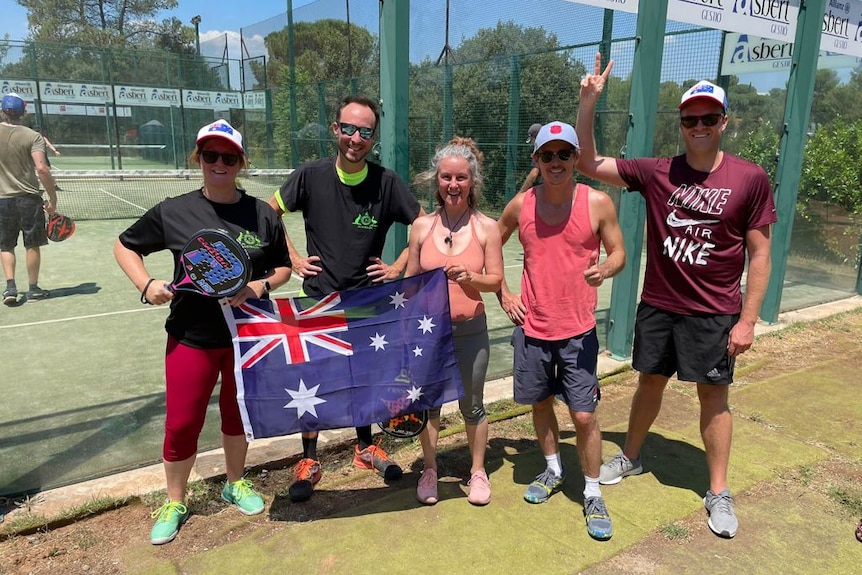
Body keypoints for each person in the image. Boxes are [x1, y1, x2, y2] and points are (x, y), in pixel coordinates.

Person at [576, 54, 777, 539]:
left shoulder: (749, 178)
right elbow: (586, 162)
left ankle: (719, 491)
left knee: (714, 397)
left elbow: (761, 254)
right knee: (650, 382)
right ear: (682, 123)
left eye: (710, 118)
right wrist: (587, 105)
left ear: (724, 121)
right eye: (692, 119)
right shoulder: (657, 171)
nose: (700, 125)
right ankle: (631, 457)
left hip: (714, 313)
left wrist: (748, 320)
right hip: (660, 306)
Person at [114, 119, 292, 545]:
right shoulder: (174, 211)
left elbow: (283, 266)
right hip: (190, 336)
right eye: (210, 155)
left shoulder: (263, 214)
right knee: (181, 423)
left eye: (228, 157)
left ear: (241, 163)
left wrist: (258, 285)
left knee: (237, 416)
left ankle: (235, 482)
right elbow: (125, 245)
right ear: (199, 159)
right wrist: (146, 284)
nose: (219, 163)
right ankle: (175, 500)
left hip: (244, 337)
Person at [268, 95, 423, 503]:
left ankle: (365, 448)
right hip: (316, 302)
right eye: (349, 129)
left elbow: (423, 224)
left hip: (366, 303)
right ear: (335, 130)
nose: (356, 138)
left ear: (374, 137)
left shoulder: (386, 182)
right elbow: (269, 213)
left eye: (365, 131)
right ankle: (308, 460)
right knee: (311, 384)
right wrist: (291, 257)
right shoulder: (310, 175)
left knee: (363, 379)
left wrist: (398, 266)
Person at [497, 121, 626, 540]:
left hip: (578, 332)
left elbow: (619, 251)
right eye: (547, 155)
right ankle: (552, 468)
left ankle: (591, 492)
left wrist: (607, 267)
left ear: (576, 159)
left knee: (584, 415)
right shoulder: (520, 206)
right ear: (536, 160)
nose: (556, 162)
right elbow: (489, 244)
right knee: (539, 404)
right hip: (533, 328)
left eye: (564, 154)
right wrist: (503, 292)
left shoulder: (598, 202)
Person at [406, 136, 504, 506]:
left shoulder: (486, 228)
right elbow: (410, 285)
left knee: (473, 405)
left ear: (472, 181)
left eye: (461, 178)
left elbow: (495, 281)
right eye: (446, 177)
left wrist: (470, 278)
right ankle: (429, 470)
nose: (453, 185)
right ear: (437, 180)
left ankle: (477, 472)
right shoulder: (421, 227)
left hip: (470, 333)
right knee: (429, 404)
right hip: (429, 335)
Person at [0, 93, 58, 306]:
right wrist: (53, 198)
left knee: (6, 246)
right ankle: (33, 289)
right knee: (32, 245)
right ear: (23, 112)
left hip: (2, 201)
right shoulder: (33, 136)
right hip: (29, 200)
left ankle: (10, 288)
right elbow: (42, 168)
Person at [516, 122, 543, 194]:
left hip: (541, 190)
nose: (532, 143)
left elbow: (534, 173)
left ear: (536, 138)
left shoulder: (539, 151)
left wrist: (521, 193)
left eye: (532, 140)